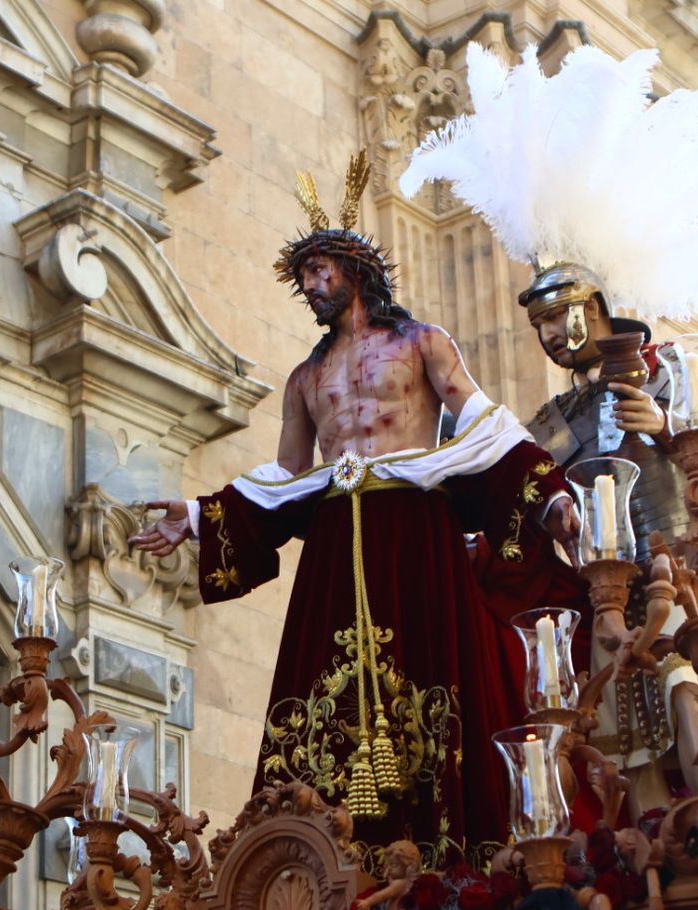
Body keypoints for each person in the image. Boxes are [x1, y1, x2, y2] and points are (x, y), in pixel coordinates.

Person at [130, 156, 578, 870]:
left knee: (433, 687)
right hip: (338, 540)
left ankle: (450, 861)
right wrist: (200, 510)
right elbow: (286, 475)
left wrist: (549, 491)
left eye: (320, 272)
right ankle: (310, 860)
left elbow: (484, 423)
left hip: (417, 530)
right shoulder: (306, 378)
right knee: (323, 697)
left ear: (355, 270)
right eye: (303, 277)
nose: (310, 287)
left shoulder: (422, 342)